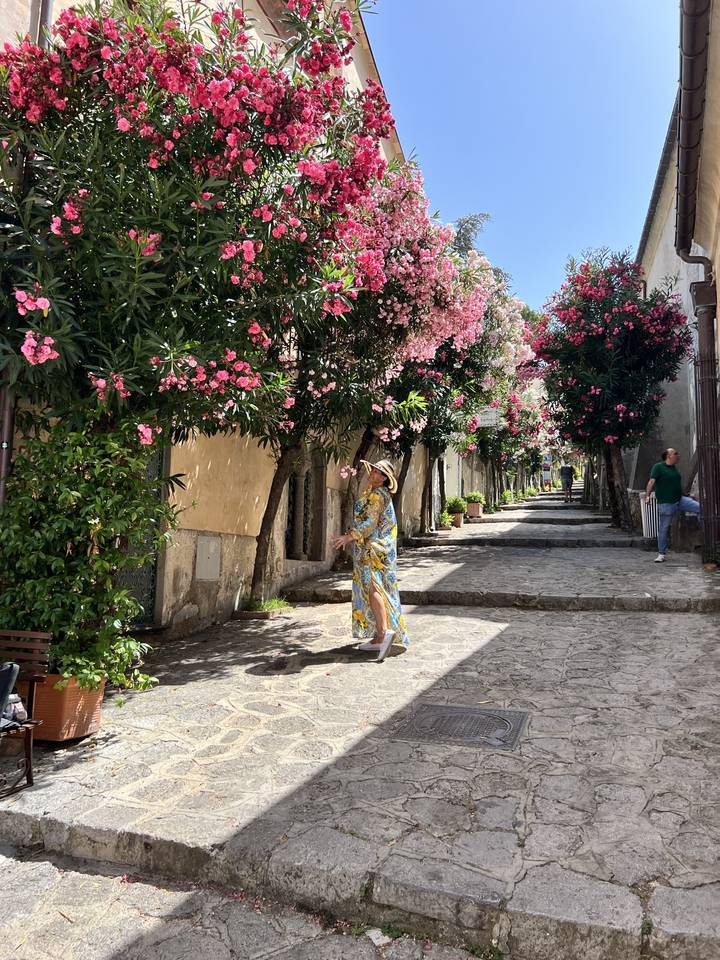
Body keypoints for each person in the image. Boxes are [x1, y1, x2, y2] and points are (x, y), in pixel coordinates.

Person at [332, 459, 409, 662]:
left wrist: (349, 537)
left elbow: (370, 522)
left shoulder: (376, 495)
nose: (373, 474)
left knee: (373, 588)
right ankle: (378, 636)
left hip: (371, 549)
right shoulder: (379, 494)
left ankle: (383, 633)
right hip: (379, 549)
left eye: (377, 472)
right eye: (373, 470)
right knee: (377, 588)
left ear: (385, 478)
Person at [646, 448, 700, 563]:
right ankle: (661, 554)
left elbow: (675, 484)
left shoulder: (674, 468)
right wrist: (647, 495)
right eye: (675, 453)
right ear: (668, 456)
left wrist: (686, 495)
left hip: (680, 500)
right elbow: (651, 482)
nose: (678, 455)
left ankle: (710, 538)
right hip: (666, 503)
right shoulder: (658, 467)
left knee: (701, 508)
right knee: (664, 528)